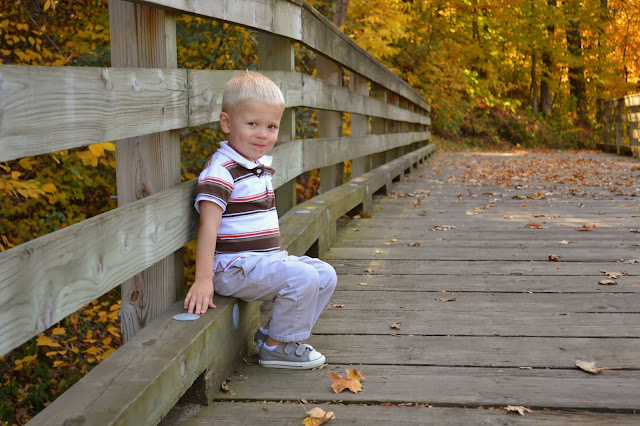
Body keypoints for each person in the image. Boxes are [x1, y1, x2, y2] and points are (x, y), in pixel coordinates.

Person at [184, 71, 337, 369]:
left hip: (261, 262)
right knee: (303, 277)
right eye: (252, 124)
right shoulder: (222, 171)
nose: (263, 134)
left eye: (271, 126)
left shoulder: (256, 164)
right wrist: (203, 279)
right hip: (233, 269)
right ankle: (278, 348)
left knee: (325, 274)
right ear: (227, 123)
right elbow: (208, 227)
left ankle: (273, 336)